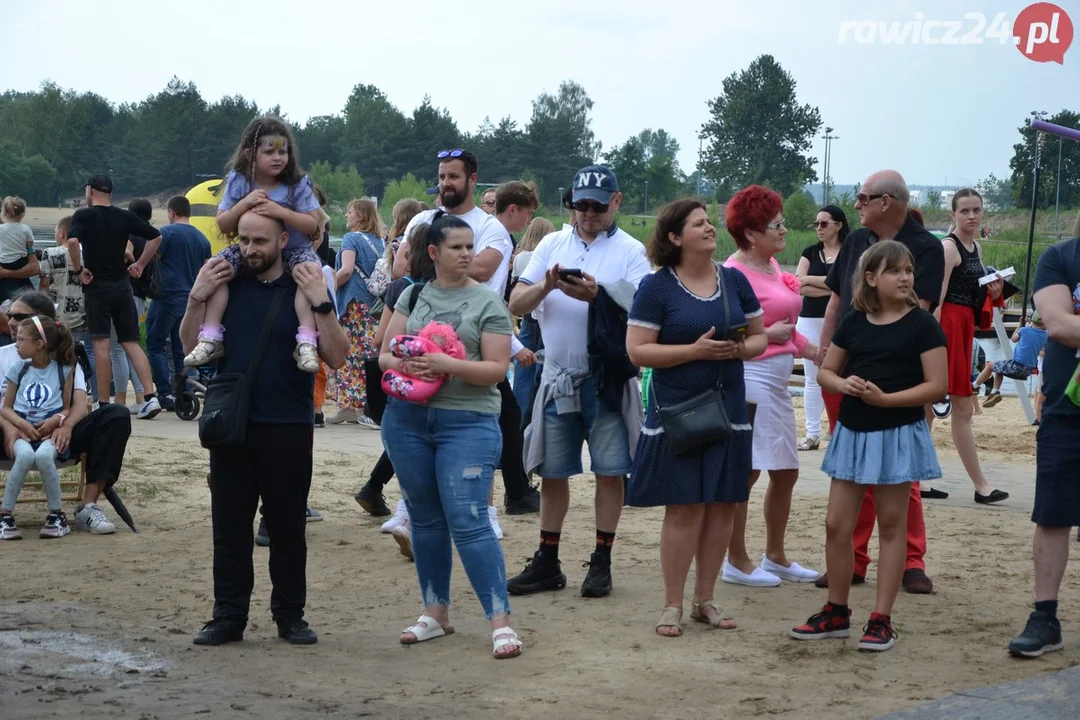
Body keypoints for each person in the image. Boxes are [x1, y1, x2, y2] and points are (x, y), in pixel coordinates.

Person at [182, 210, 348, 647]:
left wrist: (322, 303)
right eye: (244, 240)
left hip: (289, 426)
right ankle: (228, 616)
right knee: (230, 528)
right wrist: (195, 297)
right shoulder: (225, 284)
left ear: (282, 240)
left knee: (288, 528)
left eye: (260, 241)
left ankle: (290, 616)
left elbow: (338, 356)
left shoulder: (304, 283)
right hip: (233, 426)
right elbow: (188, 346)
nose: (251, 249)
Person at [378, 212, 522, 659]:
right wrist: (408, 366)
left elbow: (497, 370)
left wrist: (447, 366)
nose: (467, 255)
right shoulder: (412, 294)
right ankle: (435, 613)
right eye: (456, 248)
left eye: (470, 247)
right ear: (434, 253)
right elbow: (385, 354)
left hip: (468, 423)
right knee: (423, 517)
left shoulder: (488, 303)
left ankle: (500, 622)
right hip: (407, 422)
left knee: (470, 520)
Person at [791, 241, 946, 652]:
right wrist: (844, 385)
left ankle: (882, 620)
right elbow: (826, 372)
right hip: (853, 434)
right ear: (872, 278)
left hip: (898, 434)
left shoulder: (923, 324)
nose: (906, 277)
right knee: (836, 526)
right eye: (895, 270)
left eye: (908, 269)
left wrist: (886, 400)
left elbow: (937, 385)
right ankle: (836, 611)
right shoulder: (855, 321)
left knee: (892, 528)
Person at [625, 199, 768, 636]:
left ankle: (704, 599)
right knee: (685, 508)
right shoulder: (656, 287)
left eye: (709, 222)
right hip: (679, 412)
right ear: (674, 236)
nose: (710, 228)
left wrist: (739, 349)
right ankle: (672, 603)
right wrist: (695, 351)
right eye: (699, 223)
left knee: (723, 505)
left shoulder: (735, 279)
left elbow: (760, 339)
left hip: (729, 408)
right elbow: (638, 350)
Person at [507, 164, 650, 598]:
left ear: (616, 202)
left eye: (597, 206)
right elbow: (515, 300)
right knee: (553, 473)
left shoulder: (631, 250)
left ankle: (601, 560)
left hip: (605, 377)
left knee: (610, 472)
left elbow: (644, 310)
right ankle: (548, 560)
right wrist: (548, 285)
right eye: (580, 204)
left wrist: (599, 296)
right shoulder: (550, 243)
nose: (588, 213)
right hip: (558, 376)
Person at [813, 169, 944, 595]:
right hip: (850, 370)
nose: (857, 205)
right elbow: (838, 302)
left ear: (885, 201)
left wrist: (894, 393)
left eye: (864, 198)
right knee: (854, 472)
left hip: (899, 382)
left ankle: (911, 560)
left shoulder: (925, 246)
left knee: (899, 481)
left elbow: (914, 315)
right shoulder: (854, 241)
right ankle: (852, 561)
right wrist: (828, 354)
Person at [399, 151, 537, 524]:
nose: (445, 183)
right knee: (422, 418)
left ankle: (486, 510)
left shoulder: (490, 226)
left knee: (486, 420)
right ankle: (411, 509)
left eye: (453, 177)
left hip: (478, 335)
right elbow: (399, 266)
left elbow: (483, 267)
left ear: (473, 180)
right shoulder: (422, 218)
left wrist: (428, 260)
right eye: (442, 176)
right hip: (421, 326)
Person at [722, 186, 821, 587]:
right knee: (748, 470)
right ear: (750, 233)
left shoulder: (773, 267)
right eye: (775, 223)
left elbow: (787, 329)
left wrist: (816, 352)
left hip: (778, 383)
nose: (784, 229)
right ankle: (736, 559)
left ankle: (776, 554)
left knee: (786, 471)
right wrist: (779, 338)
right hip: (750, 378)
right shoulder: (733, 272)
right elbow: (730, 332)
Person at [183, 116, 322, 374]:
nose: (278, 157)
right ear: (250, 153)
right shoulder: (239, 181)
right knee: (218, 269)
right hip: (249, 247)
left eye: (283, 151)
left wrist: (279, 211)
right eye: (270, 151)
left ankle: (306, 340)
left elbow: (312, 225)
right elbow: (224, 223)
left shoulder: (296, 185)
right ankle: (211, 335)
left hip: (294, 249)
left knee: (309, 276)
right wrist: (244, 204)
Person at [0, 290, 134, 535]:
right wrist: (9, 426)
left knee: (116, 414)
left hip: (57, 433)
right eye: (9, 314)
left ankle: (88, 506)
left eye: (18, 316)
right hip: (10, 432)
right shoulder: (5, 356)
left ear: (40, 322)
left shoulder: (66, 360)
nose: (9, 321)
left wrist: (66, 424)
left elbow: (80, 404)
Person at [1006, 232, 1080, 657]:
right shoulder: (1061, 258)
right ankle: (1045, 616)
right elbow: (1058, 323)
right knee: (1053, 513)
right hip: (1067, 406)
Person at [929, 188, 1008, 504]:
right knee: (954, 408)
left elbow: (971, 292)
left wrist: (995, 289)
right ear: (953, 214)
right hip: (947, 328)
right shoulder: (949, 247)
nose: (972, 215)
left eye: (976, 210)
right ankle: (980, 485)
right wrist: (930, 339)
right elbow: (938, 295)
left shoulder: (974, 247)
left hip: (962, 330)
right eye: (965, 211)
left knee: (938, 410)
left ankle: (920, 482)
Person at [355, 223, 432, 521]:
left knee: (404, 439)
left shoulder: (400, 287)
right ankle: (377, 490)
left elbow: (377, 338)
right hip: (407, 377)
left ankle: (373, 488)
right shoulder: (411, 290)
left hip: (397, 377)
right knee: (409, 440)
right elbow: (382, 339)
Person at [68, 175, 162, 419]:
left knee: (101, 345)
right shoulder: (124, 216)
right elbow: (156, 236)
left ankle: (103, 401)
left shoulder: (83, 215)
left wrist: (79, 270)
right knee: (130, 342)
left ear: (90, 190)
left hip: (97, 286)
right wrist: (141, 264)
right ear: (110, 192)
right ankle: (150, 397)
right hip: (123, 285)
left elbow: (72, 240)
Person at [0, 316, 78, 540]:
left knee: (45, 456)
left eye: (21, 339)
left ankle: (57, 516)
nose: (16, 343)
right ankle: (5, 516)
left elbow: (66, 408)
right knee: (23, 456)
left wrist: (57, 420)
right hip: (23, 429)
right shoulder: (18, 369)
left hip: (49, 431)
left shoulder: (64, 371)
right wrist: (21, 424)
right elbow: (6, 408)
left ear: (39, 344)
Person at [146, 196, 211, 409]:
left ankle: (165, 392)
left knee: (155, 343)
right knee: (181, 347)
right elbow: (205, 270)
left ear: (171, 212)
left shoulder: (166, 233)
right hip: (190, 299)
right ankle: (184, 390)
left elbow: (154, 255)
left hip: (166, 296)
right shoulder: (202, 239)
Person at [326, 198, 385, 428]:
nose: (347, 216)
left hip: (353, 304)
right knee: (368, 354)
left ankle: (348, 407)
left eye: (350, 213)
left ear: (360, 215)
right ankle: (365, 406)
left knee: (349, 355)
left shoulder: (351, 239)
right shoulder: (379, 240)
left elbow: (346, 270)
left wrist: (327, 284)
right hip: (372, 306)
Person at [795, 205, 848, 450]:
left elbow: (849, 284)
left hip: (841, 319)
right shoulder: (810, 252)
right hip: (810, 319)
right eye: (816, 224)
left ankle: (840, 429)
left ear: (838, 225)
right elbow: (797, 285)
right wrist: (832, 285)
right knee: (812, 377)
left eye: (824, 223)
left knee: (843, 375)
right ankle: (813, 433)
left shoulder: (849, 250)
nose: (819, 228)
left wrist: (813, 282)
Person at [511, 217, 556, 419]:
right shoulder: (550, 256)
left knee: (523, 369)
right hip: (545, 314)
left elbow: (514, 284)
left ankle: (519, 414)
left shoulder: (520, 257)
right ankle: (538, 413)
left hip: (527, 315)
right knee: (543, 368)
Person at [974, 312, 1048, 406]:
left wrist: (1020, 325)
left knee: (990, 365)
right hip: (1028, 369)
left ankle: (975, 386)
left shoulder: (1024, 330)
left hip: (1018, 365)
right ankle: (994, 392)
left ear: (1032, 321)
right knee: (999, 368)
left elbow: (1013, 339)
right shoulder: (1045, 336)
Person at [0, 196, 39, 302]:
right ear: (23, 213)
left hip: (4, 262)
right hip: (20, 262)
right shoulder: (25, 228)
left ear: (4, 213)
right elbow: (30, 244)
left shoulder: (1, 228)